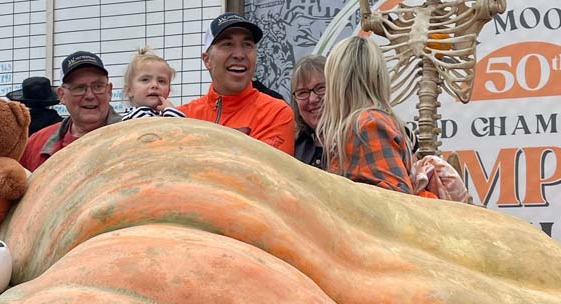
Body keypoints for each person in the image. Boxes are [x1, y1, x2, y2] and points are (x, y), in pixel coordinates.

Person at [179, 13, 294, 154]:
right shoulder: (184, 116)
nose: (239, 54)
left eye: (247, 45)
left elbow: (264, 173)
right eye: (227, 44)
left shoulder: (275, 113)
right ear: (207, 60)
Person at [316, 36, 417, 194]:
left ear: (339, 82)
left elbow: (398, 200)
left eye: (328, 81)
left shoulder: (367, 125)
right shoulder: (366, 123)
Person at [19, 51, 122, 171]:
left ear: (109, 91)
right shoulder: (35, 144)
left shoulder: (133, 136)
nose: (90, 95)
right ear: (61, 95)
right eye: (79, 88)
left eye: (98, 86)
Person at [121, 47, 184, 120]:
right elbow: (156, 129)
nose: (154, 85)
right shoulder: (136, 115)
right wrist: (171, 111)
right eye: (145, 80)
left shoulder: (166, 114)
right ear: (129, 90)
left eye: (161, 81)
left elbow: (185, 128)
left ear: (168, 90)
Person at [290, 55, 326, 168]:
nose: (312, 99)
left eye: (321, 88)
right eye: (302, 92)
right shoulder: (293, 146)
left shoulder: (358, 138)